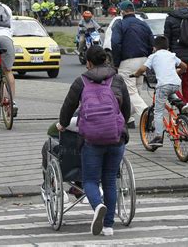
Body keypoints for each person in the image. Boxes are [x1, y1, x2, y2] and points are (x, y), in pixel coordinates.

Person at [56, 46, 131, 236]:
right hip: (116, 138)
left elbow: (67, 108)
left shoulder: (80, 82)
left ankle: (98, 206)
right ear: (106, 59)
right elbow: (127, 110)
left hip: (91, 139)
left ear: (88, 62)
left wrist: (63, 124)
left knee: (90, 179)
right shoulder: (118, 79)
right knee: (110, 180)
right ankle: (108, 226)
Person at [132, 36, 188, 146]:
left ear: (154, 48)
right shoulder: (171, 55)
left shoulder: (153, 56)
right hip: (175, 83)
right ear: (167, 47)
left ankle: (158, 137)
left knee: (158, 112)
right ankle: (182, 105)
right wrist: (177, 72)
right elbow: (184, 66)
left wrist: (135, 74)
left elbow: (142, 69)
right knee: (170, 93)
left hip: (163, 85)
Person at [111, 0, 154, 128]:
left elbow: (115, 43)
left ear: (122, 11)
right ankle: (127, 118)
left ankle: (146, 113)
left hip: (127, 61)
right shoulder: (143, 24)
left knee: (130, 91)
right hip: (143, 60)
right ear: (133, 10)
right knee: (137, 89)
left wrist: (116, 62)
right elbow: (151, 42)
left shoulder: (120, 24)